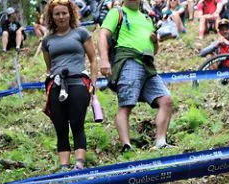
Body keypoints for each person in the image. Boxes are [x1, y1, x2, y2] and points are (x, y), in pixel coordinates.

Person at [98, 0, 174, 151]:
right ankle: (126, 146)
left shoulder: (147, 18)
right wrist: (104, 60)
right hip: (128, 60)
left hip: (148, 64)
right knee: (126, 104)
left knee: (166, 100)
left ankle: (161, 142)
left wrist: (155, 42)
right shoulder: (117, 12)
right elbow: (103, 35)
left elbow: (154, 50)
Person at [42, 0, 98, 170]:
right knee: (60, 126)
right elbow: (49, 67)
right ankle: (64, 166)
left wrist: (93, 84)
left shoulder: (81, 33)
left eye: (64, 13)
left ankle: (79, 163)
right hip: (56, 85)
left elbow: (94, 59)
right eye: (57, 14)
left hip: (78, 83)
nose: (61, 17)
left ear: (71, 13)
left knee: (76, 122)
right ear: (51, 16)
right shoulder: (47, 40)